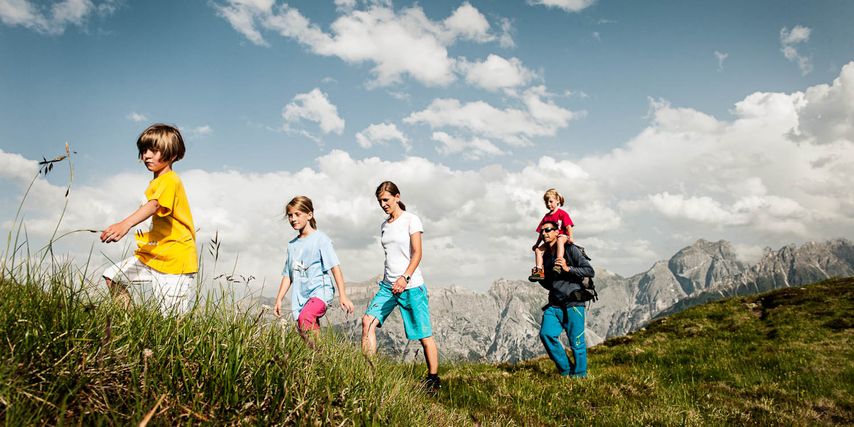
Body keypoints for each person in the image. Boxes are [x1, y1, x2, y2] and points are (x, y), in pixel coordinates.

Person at [101, 123, 198, 315]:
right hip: (153, 255)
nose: (147, 155)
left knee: (172, 322)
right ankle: (130, 323)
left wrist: (124, 224)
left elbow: (154, 205)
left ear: (173, 154)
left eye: (154, 150)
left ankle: (175, 343)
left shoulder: (171, 180)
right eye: (144, 150)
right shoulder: (156, 183)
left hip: (174, 260)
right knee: (112, 276)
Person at [361, 181, 441, 394]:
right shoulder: (384, 226)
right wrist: (391, 278)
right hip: (388, 286)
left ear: (397, 197)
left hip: (411, 286)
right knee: (367, 321)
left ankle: (433, 379)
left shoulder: (411, 220)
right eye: (380, 201)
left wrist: (405, 277)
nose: (383, 204)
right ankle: (369, 376)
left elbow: (417, 253)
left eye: (386, 200)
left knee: (424, 335)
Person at [273, 196, 354, 348]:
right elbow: (287, 275)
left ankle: (319, 356)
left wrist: (342, 295)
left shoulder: (321, 239)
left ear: (309, 215)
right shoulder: (292, 246)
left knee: (306, 318)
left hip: (320, 292)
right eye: (290, 215)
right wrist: (279, 298)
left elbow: (335, 267)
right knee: (304, 329)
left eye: (297, 214)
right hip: (301, 296)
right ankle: (319, 359)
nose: (293, 219)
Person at [536, 220, 593, 378]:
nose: (544, 234)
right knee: (546, 334)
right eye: (542, 231)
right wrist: (539, 278)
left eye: (548, 230)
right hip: (554, 303)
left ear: (556, 232)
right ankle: (566, 371)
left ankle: (580, 376)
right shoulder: (545, 256)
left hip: (574, 302)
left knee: (577, 342)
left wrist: (568, 268)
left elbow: (589, 270)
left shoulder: (570, 249)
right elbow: (550, 283)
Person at [528, 188, 574, 281]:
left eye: (550, 201)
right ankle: (539, 271)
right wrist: (537, 244)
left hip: (562, 236)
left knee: (560, 239)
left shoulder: (562, 214)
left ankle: (558, 264)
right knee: (538, 250)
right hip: (551, 240)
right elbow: (542, 233)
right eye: (546, 202)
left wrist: (571, 238)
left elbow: (569, 227)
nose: (548, 204)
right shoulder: (546, 217)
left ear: (557, 200)